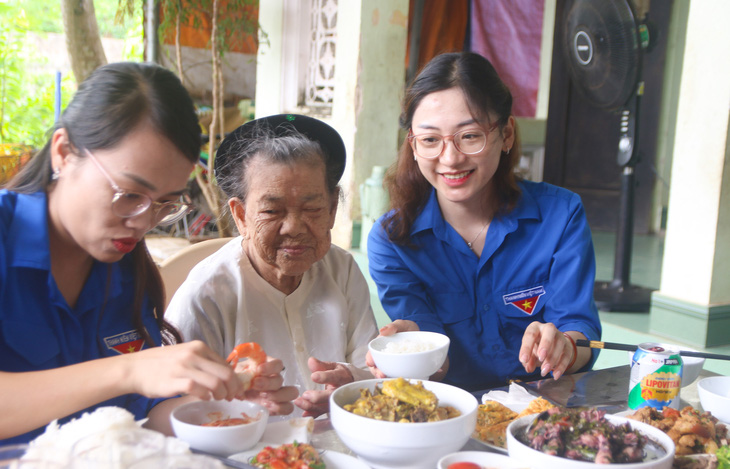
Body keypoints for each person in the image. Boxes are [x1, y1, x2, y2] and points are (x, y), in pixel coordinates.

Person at [0, 62, 292, 444]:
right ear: (63, 153)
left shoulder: (122, 270)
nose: (142, 224)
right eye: (129, 195)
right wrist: (130, 370)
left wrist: (220, 404)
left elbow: (143, 417)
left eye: (164, 204)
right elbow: (131, 376)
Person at [366, 52, 602, 391]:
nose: (450, 158)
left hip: (544, 406)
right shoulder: (393, 240)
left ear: (506, 134)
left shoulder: (560, 215)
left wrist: (564, 344)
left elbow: (579, 327)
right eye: (430, 140)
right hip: (452, 411)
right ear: (414, 147)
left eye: (470, 135)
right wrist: (411, 350)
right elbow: (433, 354)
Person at [165, 114, 379, 418]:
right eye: (272, 210)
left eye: (312, 208)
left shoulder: (342, 270)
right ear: (241, 217)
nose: (294, 226)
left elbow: (372, 369)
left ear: (332, 210)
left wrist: (347, 391)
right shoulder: (205, 296)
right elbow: (185, 412)